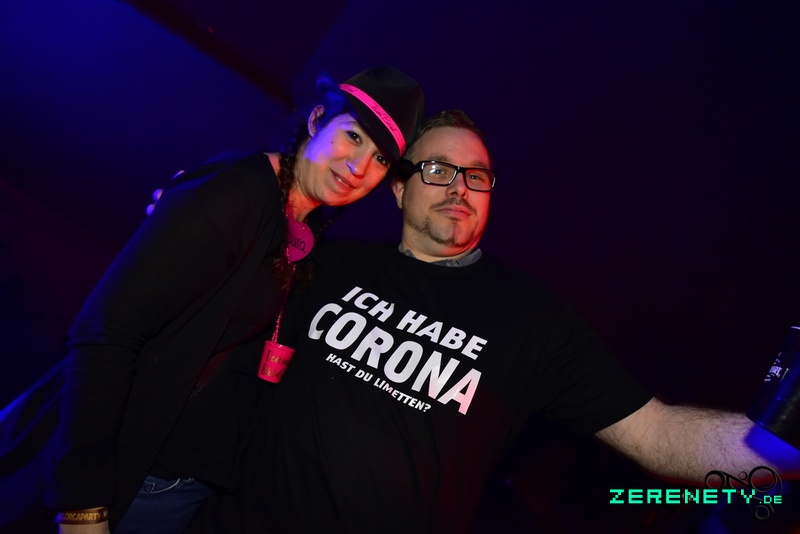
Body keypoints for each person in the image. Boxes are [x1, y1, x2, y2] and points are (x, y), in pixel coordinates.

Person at [190, 109, 800, 533]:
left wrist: (786, 449)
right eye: (437, 170)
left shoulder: (533, 320)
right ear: (398, 188)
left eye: (476, 176)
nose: (459, 188)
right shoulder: (324, 265)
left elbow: (657, 433)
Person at [0, 66, 424, 534]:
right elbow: (104, 334)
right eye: (353, 137)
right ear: (317, 119)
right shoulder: (238, 193)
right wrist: (82, 503)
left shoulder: (303, 226)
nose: (359, 167)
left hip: (183, 485)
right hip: (130, 477)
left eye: (380, 159)